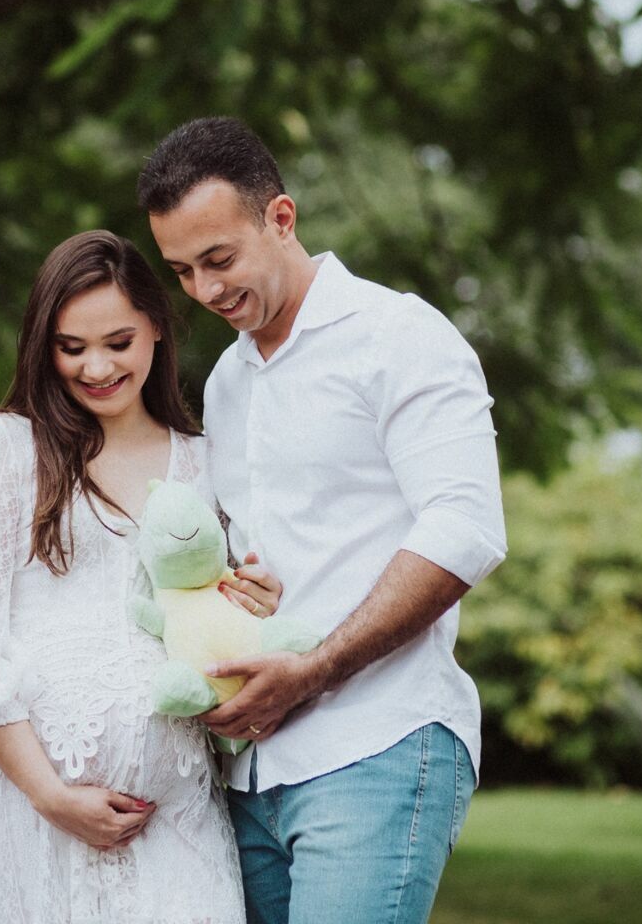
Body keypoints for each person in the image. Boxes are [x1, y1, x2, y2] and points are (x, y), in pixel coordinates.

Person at [140, 117, 507, 924]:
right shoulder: (230, 381)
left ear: (281, 218)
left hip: (377, 740)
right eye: (182, 272)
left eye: (219, 259)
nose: (204, 292)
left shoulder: (398, 336)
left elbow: (467, 527)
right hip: (250, 774)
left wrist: (318, 666)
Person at [0, 229, 281, 923]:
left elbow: (211, 612)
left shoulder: (205, 461)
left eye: (118, 341)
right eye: (71, 347)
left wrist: (259, 604)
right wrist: (50, 794)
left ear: (158, 331)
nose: (97, 366)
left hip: (175, 822)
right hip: (24, 817)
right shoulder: (4, 449)